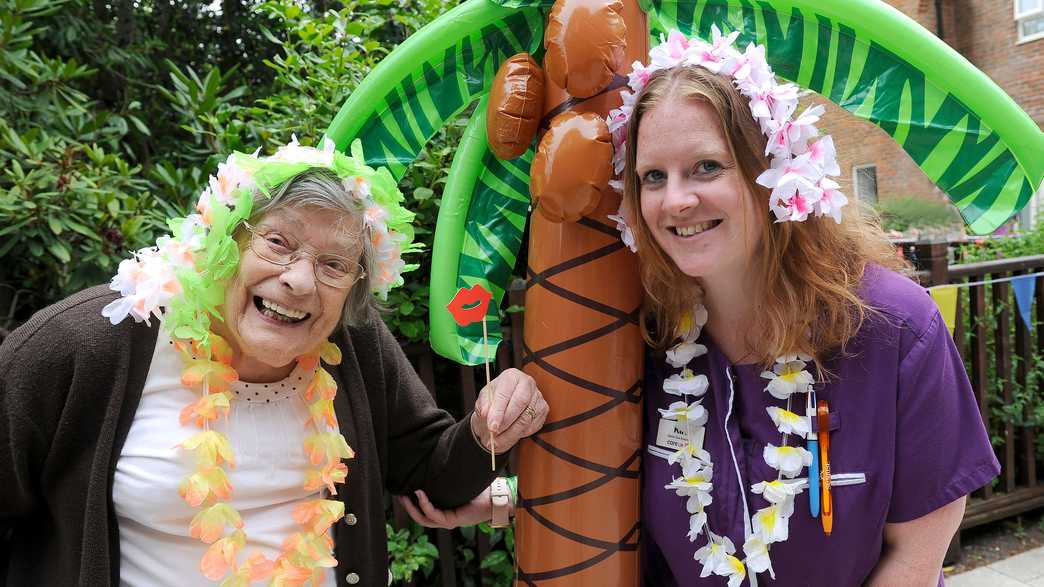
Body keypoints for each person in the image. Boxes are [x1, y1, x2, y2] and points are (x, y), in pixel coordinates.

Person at [0, 138, 548, 587]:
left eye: (335, 264)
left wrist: (484, 429)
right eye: (279, 243)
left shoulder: (353, 343)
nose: (300, 280)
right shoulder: (92, 339)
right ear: (227, 240)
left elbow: (430, 473)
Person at [607, 30, 999, 586]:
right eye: (653, 177)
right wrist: (501, 458)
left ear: (772, 169)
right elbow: (590, 472)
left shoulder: (893, 326)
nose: (675, 200)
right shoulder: (642, 336)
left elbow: (916, 556)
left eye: (707, 167)